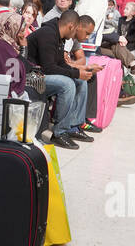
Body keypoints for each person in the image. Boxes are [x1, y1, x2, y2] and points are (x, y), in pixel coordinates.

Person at [25, 9, 97, 148]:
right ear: (71, 26)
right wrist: (76, 73)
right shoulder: (48, 33)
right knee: (67, 84)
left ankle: (73, 126)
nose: (75, 34)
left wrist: (79, 72)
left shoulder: (59, 36)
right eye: (76, 29)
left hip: (40, 73)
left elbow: (60, 64)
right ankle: (59, 132)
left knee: (80, 81)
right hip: (29, 76)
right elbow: (49, 68)